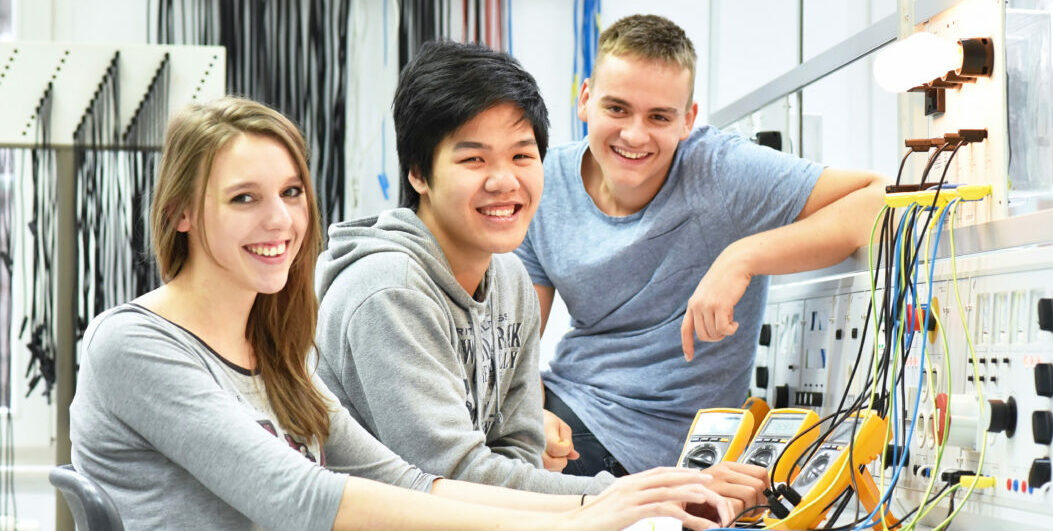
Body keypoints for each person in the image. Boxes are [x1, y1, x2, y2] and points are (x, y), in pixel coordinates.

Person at [68, 96, 730, 530]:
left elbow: (414, 481)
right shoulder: (133, 345)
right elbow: (301, 499)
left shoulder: (272, 356)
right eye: (245, 197)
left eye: (292, 192)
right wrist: (573, 519)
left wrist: (618, 498)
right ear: (182, 212)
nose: (280, 220)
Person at [313, 39, 763, 518]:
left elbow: (518, 449)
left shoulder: (507, 279)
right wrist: (630, 496)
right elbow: (449, 476)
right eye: (474, 159)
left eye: (522, 156)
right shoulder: (388, 291)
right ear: (419, 173)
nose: (504, 181)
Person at [516, 15, 887, 477]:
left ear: (688, 120)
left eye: (659, 117)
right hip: (564, 410)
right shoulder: (542, 185)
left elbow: (879, 200)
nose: (634, 134)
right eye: (617, 109)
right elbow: (514, 348)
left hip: (655, 447)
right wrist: (533, 416)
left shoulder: (720, 172)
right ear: (585, 99)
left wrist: (742, 256)